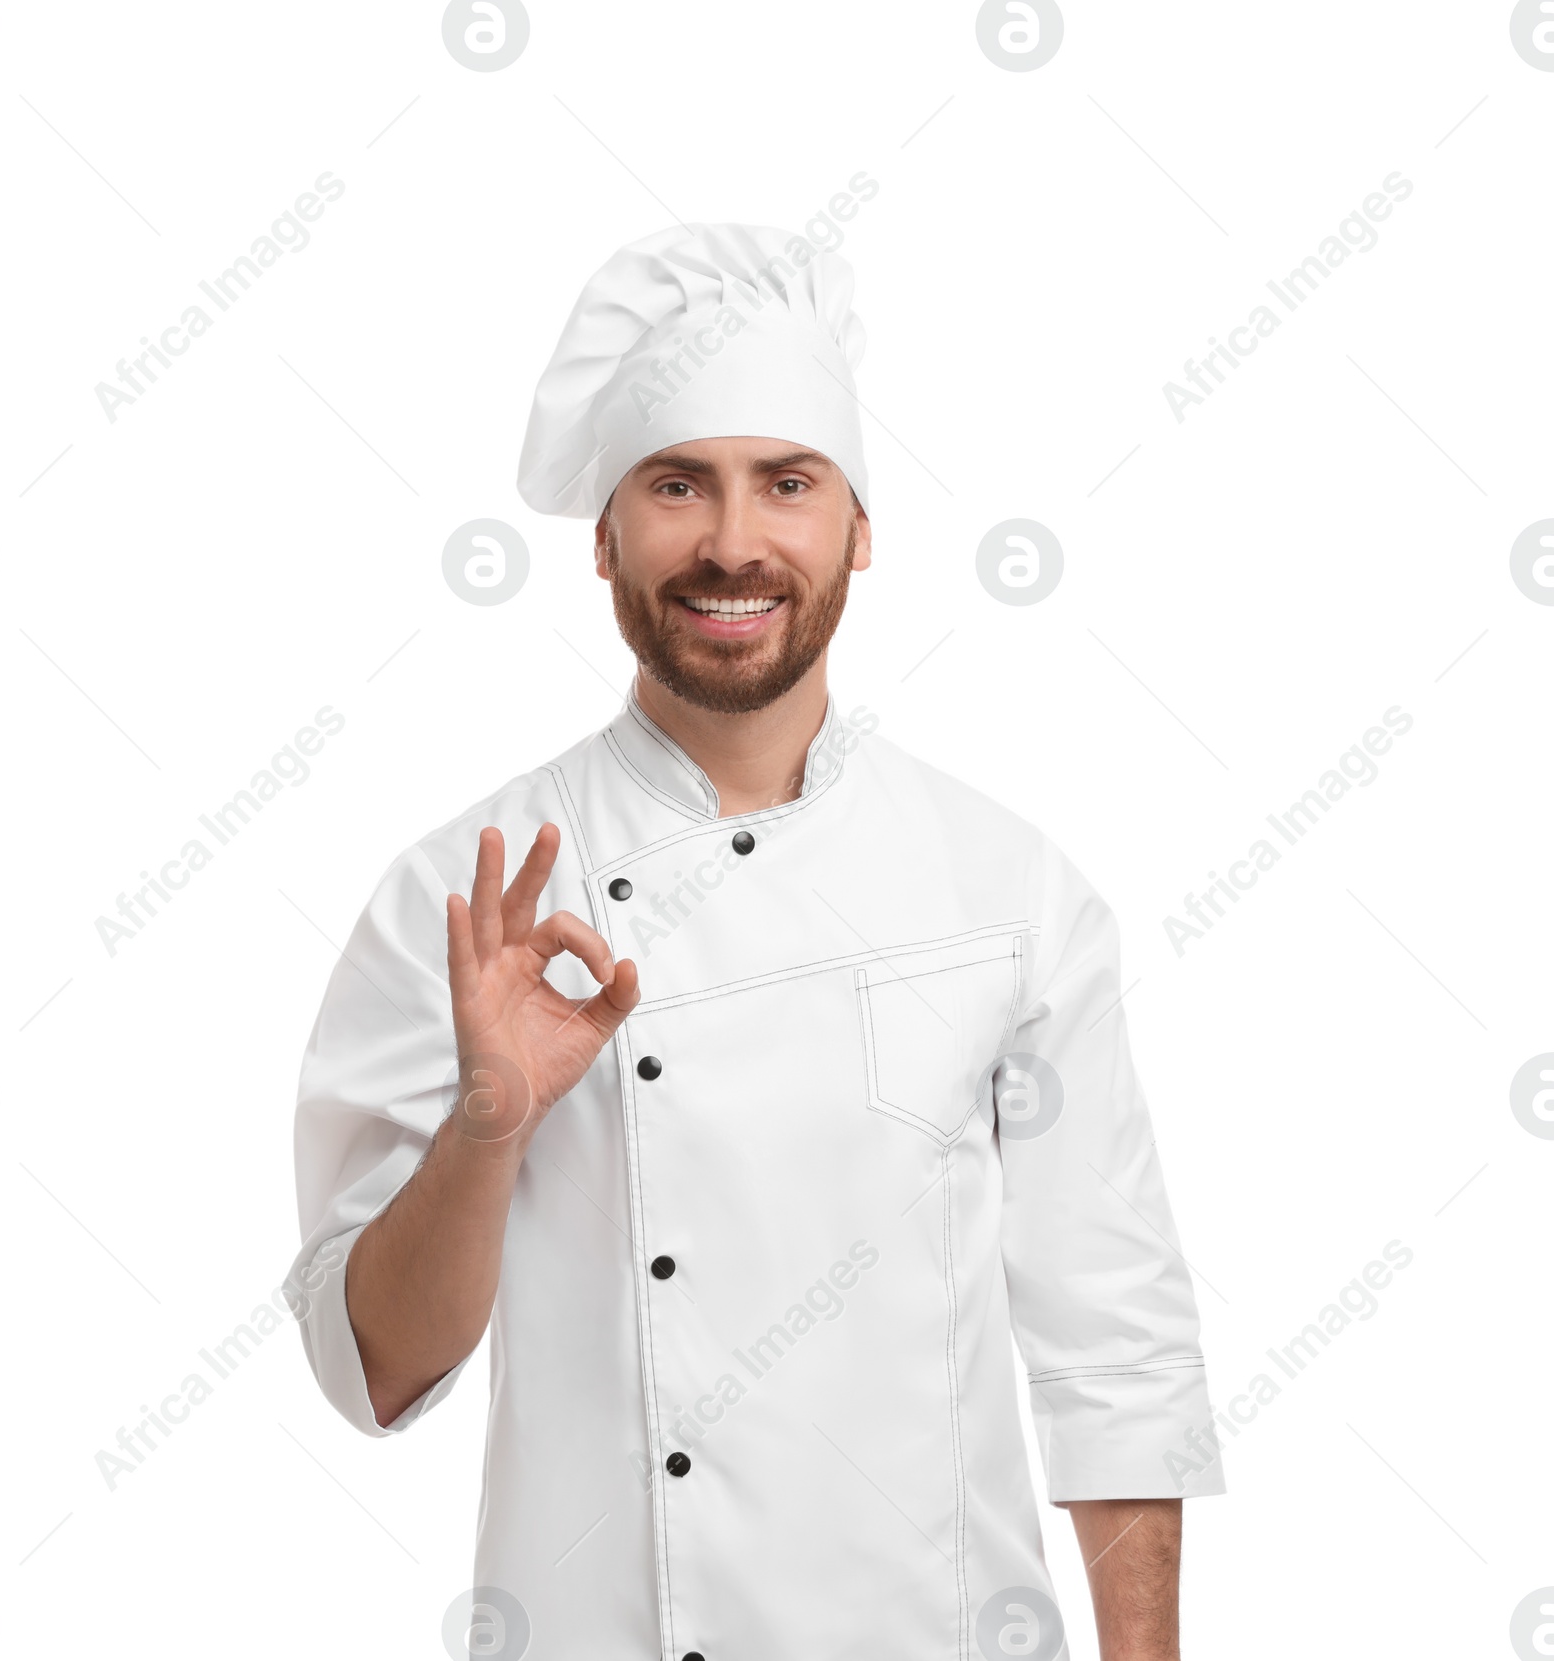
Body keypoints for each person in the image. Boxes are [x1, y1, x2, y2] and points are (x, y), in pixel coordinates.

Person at [285, 222, 1224, 1661]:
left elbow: (1116, 1350)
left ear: (859, 528)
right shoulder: (466, 898)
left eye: (787, 483)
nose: (733, 542)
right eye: (677, 485)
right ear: (604, 536)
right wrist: (487, 1128)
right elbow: (377, 1370)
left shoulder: (1010, 890)